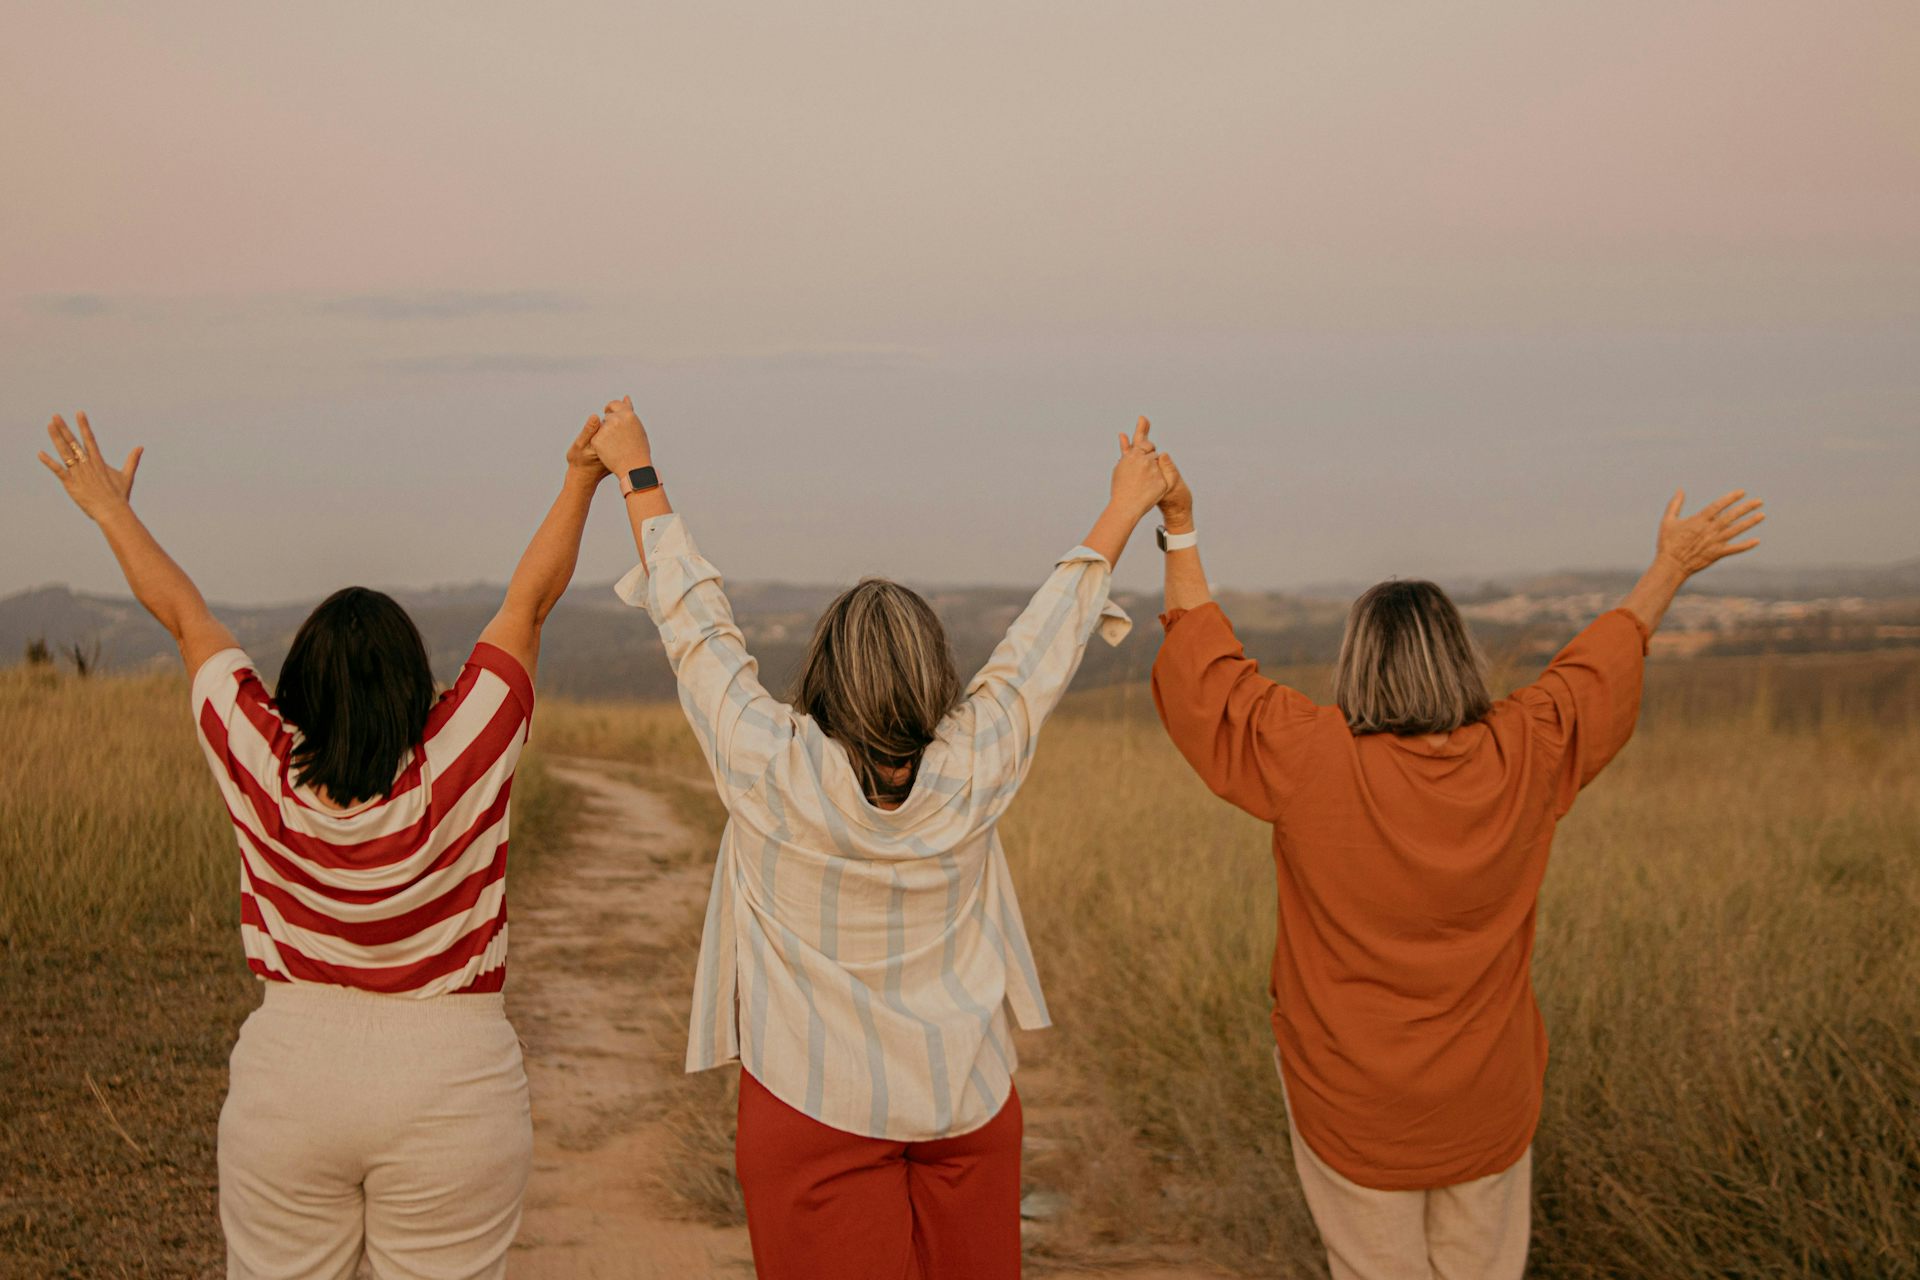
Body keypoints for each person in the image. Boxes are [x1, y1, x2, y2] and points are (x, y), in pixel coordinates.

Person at [589, 398, 1167, 1280]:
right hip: (968, 1102)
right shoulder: (975, 763)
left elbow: (696, 625)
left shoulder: (767, 764)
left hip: (811, 1108)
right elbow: (1042, 643)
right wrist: (1128, 502)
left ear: (822, 671)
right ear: (938, 674)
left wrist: (638, 471)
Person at [1146, 455, 1764, 1280]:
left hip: (1351, 1098)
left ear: (1358, 663)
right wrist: (1672, 565)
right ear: (1460, 658)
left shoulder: (1308, 757)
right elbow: (1605, 658)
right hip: (1487, 1097)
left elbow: (1203, 665)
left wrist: (1180, 525)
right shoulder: (1528, 748)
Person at [36, 410, 613, 1279]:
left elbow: (186, 619)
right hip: (453, 1078)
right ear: (417, 685)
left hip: (290, 1074)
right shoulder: (464, 749)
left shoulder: (262, 763)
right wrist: (581, 479)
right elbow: (527, 603)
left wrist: (111, 511)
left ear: (297, 686)